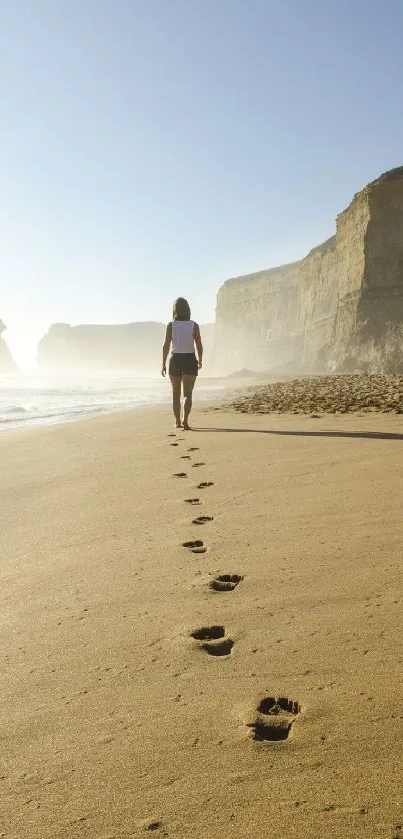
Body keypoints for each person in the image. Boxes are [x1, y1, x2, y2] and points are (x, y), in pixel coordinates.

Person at [161, 298, 203, 430]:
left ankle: (178, 421)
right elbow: (199, 344)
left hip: (175, 360)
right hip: (190, 359)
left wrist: (163, 363)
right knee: (187, 394)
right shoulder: (194, 325)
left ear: (175, 310)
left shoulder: (171, 325)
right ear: (188, 310)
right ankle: (185, 420)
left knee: (175, 394)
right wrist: (200, 359)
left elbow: (166, 345)